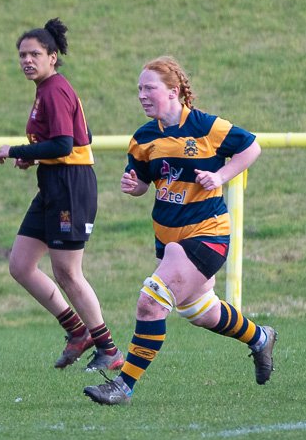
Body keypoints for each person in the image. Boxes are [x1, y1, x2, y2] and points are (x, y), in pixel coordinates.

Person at [84, 57, 276, 405]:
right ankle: (260, 337)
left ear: (174, 91)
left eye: (149, 88)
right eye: (139, 89)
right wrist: (134, 186)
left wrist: (219, 176)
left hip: (207, 234)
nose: (142, 95)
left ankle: (123, 386)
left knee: (150, 302)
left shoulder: (206, 126)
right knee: (201, 310)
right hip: (168, 236)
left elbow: (251, 147)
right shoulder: (143, 138)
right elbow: (144, 182)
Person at [0, 18, 121, 372]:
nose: (27, 61)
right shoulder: (48, 91)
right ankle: (76, 332)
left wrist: (18, 150)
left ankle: (108, 349)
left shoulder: (55, 89)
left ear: (53, 56)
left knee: (67, 272)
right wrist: (35, 156)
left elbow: (67, 143)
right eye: (22, 55)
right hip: (52, 183)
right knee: (21, 264)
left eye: (35, 54)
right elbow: (84, 135)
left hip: (70, 187)